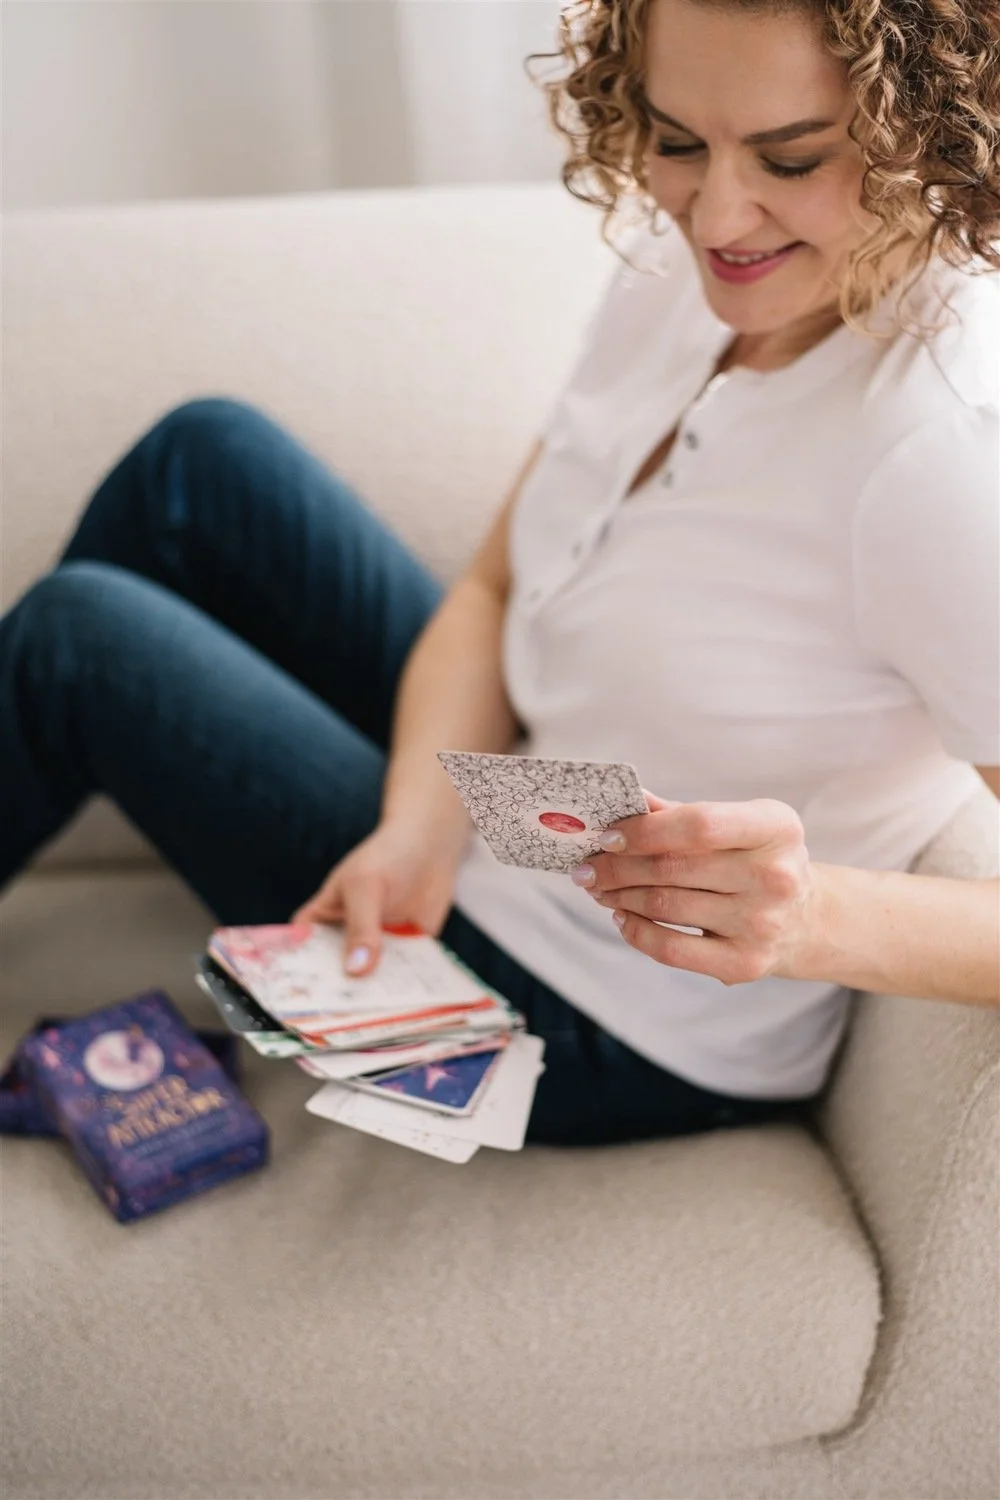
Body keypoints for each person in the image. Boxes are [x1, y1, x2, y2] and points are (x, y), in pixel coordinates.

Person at [2, 0, 998, 1147]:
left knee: (83, 642)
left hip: (605, 1019)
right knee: (200, 460)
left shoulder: (944, 460)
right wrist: (419, 820)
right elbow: (488, 590)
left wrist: (811, 916)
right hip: (519, 805)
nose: (717, 213)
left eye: (790, 158)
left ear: (934, 123)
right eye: (678, 140)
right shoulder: (689, 278)